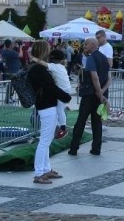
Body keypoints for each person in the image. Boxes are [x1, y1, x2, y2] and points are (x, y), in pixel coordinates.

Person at [27, 40, 72, 184]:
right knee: (45, 141)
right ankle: (39, 173)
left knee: (46, 140)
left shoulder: (38, 67)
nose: (49, 52)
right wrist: (66, 96)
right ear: (43, 51)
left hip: (46, 105)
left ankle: (45, 169)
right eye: (47, 49)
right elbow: (51, 87)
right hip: (46, 106)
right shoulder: (38, 69)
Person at [68, 37, 111, 157]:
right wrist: (102, 92)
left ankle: (73, 148)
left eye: (86, 44)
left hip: (90, 95)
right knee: (97, 122)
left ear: (93, 45)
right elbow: (109, 79)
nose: (84, 46)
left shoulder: (91, 58)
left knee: (81, 121)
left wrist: (98, 92)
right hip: (99, 95)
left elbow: (94, 76)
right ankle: (96, 149)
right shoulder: (104, 58)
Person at [48, 49, 72, 140]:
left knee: (59, 110)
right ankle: (60, 128)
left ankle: (62, 129)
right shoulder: (62, 67)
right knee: (60, 110)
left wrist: (34, 58)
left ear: (52, 57)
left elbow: (42, 63)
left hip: (62, 92)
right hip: (66, 91)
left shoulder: (53, 66)